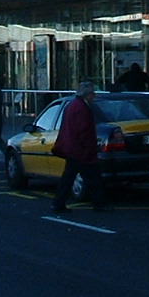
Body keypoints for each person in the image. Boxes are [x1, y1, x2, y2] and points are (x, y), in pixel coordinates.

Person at [50, 81, 108, 213]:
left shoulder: (72, 105)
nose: (94, 96)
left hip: (73, 149)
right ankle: (99, 204)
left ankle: (58, 203)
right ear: (87, 95)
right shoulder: (82, 108)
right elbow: (83, 130)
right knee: (93, 178)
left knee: (69, 178)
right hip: (81, 150)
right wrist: (89, 147)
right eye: (93, 93)